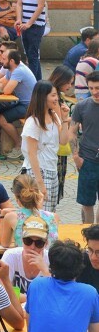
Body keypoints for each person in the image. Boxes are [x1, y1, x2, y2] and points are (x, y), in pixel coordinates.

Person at [0, 44, 37, 155]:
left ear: (12, 61)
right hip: (21, 102)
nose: (2, 61)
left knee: (2, 120)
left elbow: (7, 90)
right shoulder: (11, 69)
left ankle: (18, 144)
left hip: (29, 105)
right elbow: (0, 84)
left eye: (4, 59)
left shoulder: (19, 71)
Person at [21, 80, 65, 207]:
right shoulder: (33, 122)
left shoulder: (55, 117)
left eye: (56, 95)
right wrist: (40, 183)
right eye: (53, 95)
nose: (56, 98)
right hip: (38, 171)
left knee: (50, 213)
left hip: (52, 169)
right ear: (42, 97)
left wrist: (66, 120)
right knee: (39, 214)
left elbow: (63, 141)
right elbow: (31, 153)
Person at [0, 174, 58, 248]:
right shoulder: (54, 216)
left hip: (25, 258)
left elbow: (4, 244)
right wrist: (39, 207)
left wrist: (3, 215)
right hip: (47, 259)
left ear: (16, 197)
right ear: (38, 194)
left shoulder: (11, 217)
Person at [0, 214, 50, 299]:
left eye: (39, 243)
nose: (32, 247)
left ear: (46, 244)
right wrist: (30, 299)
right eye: (28, 241)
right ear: (22, 240)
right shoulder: (11, 256)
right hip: (16, 309)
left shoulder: (51, 259)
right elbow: (2, 290)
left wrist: (45, 270)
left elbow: (57, 294)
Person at [72, 68, 99, 224]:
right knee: (87, 203)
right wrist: (76, 156)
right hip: (87, 160)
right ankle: (88, 234)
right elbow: (72, 132)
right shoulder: (81, 107)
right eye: (91, 88)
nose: (94, 92)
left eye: (97, 88)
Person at [17, 0, 49, 80]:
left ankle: (32, 83)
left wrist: (30, 23)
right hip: (24, 24)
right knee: (30, 55)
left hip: (36, 25)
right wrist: (19, 19)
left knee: (32, 55)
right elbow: (19, 3)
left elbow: (40, 6)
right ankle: (38, 80)